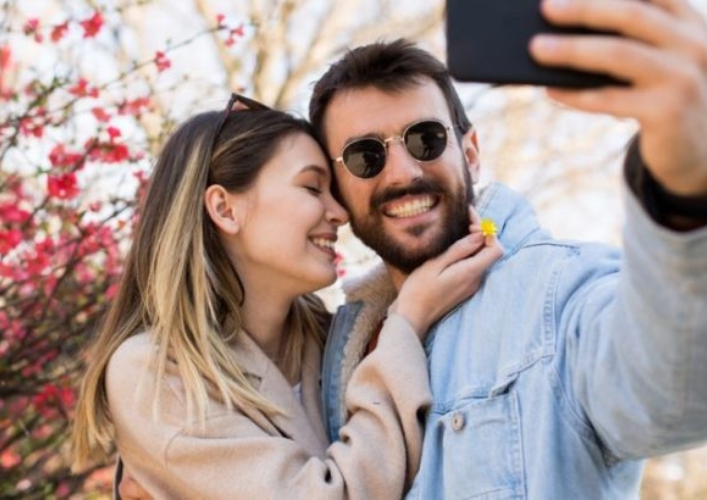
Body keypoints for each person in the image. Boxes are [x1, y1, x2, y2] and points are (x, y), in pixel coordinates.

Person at [115, 0, 707, 498]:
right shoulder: (340, 342)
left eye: (426, 139)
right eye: (365, 156)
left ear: (469, 153)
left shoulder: (554, 292)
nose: (402, 173)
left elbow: (671, 391)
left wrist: (683, 189)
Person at [71, 94, 502, 498]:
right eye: (313, 188)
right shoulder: (156, 370)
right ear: (224, 209)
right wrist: (406, 321)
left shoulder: (334, 342)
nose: (339, 213)